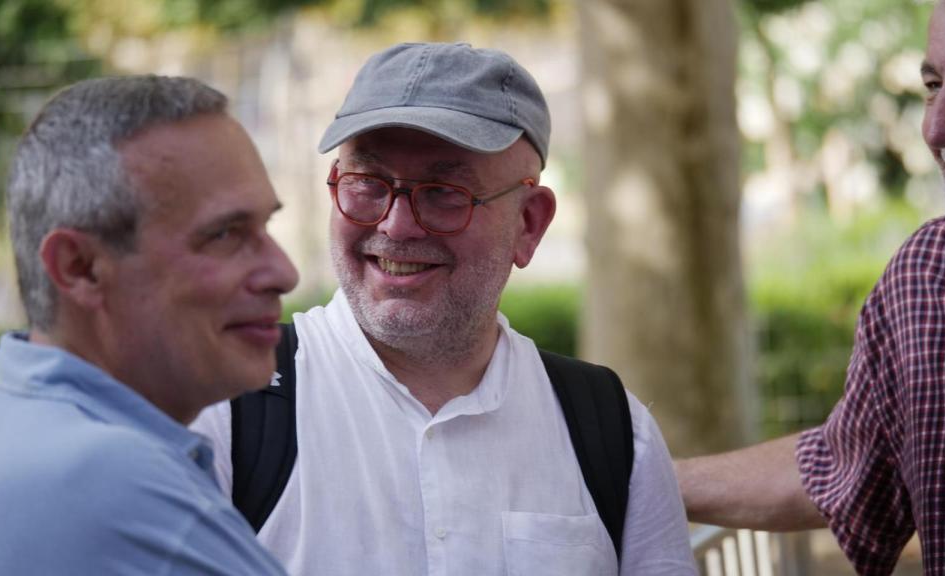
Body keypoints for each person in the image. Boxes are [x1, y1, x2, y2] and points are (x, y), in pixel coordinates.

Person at [191, 42, 696, 575]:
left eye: (444, 193)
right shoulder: (223, 407)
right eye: (367, 184)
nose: (395, 225)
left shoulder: (613, 433)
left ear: (529, 224)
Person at [676, 1, 945, 574]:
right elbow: (842, 469)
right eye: (932, 86)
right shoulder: (925, 280)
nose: (938, 128)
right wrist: (632, 473)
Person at [0, 75, 297, 575]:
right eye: (225, 234)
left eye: (266, 226)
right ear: (80, 268)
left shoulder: (16, 430)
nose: (284, 273)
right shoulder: (105, 481)